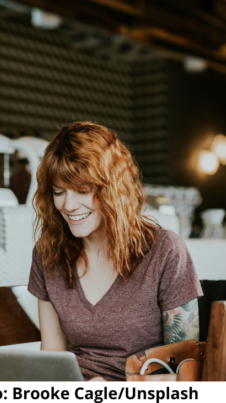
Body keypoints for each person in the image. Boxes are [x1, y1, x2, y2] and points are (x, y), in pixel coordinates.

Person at [28, 122, 203, 383]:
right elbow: (52, 357)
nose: (68, 205)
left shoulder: (165, 251)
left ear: (113, 189)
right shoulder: (48, 254)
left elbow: (186, 368)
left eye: (83, 190)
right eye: (58, 191)